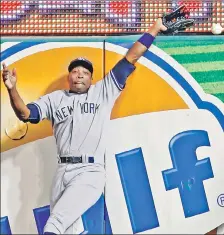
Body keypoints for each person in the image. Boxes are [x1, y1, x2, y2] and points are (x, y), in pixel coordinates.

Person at [2, 12, 191, 234]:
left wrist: (154, 29)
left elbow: (130, 58)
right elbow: (26, 114)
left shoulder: (102, 92)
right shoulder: (55, 99)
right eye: (75, 71)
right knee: (68, 230)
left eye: (85, 72)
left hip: (90, 171)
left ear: (91, 79)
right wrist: (12, 89)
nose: (80, 75)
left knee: (54, 225)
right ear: (69, 77)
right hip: (62, 171)